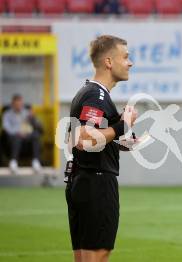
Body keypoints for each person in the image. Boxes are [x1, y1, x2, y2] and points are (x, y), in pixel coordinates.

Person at [65, 35, 135, 262]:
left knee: (86, 257)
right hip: (96, 182)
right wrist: (122, 125)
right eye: (125, 57)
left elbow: (95, 137)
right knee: (98, 255)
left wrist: (126, 136)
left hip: (83, 180)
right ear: (108, 62)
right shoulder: (96, 94)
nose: (130, 62)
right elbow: (84, 140)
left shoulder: (92, 93)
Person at [2, 94, 42, 174]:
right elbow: (6, 128)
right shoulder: (7, 114)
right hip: (13, 139)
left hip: (26, 138)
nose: (19, 106)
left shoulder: (27, 113)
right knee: (17, 137)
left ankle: (36, 161)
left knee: (35, 136)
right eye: (17, 104)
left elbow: (36, 126)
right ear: (13, 104)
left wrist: (33, 118)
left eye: (20, 104)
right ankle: (13, 162)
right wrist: (18, 132)